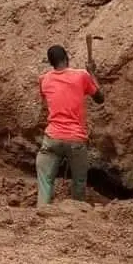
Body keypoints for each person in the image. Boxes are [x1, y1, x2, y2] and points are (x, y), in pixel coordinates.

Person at [37, 45, 104, 206]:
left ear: (51, 63)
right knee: (79, 182)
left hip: (52, 137)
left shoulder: (44, 80)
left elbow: (47, 103)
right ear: (67, 58)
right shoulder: (81, 75)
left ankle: (42, 211)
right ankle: (77, 214)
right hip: (76, 139)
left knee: (45, 180)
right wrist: (92, 73)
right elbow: (100, 98)